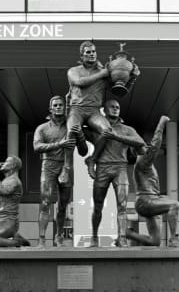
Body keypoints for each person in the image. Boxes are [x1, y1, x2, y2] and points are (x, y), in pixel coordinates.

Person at [58, 40, 139, 185]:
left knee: (107, 130)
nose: (91, 54)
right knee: (71, 131)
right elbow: (80, 82)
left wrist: (132, 77)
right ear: (82, 57)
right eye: (88, 52)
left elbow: (120, 92)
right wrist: (103, 73)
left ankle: (92, 159)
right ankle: (66, 167)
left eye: (93, 51)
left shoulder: (104, 72)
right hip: (77, 109)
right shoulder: (74, 71)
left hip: (94, 111)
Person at [85, 98, 145, 247]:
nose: (115, 108)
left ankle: (122, 238)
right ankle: (94, 237)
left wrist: (116, 136)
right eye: (111, 106)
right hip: (102, 168)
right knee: (97, 206)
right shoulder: (95, 128)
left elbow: (141, 144)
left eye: (117, 107)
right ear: (104, 110)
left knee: (122, 206)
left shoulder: (127, 129)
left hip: (121, 168)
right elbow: (77, 129)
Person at [33, 95, 88, 247]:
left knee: (63, 205)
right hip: (49, 166)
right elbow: (37, 147)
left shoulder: (71, 126)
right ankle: (42, 239)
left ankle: (59, 236)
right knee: (45, 202)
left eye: (61, 105)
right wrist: (59, 144)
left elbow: (83, 152)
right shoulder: (42, 128)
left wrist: (81, 135)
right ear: (50, 109)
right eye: (55, 105)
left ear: (65, 108)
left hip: (67, 166)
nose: (58, 107)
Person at [125, 115, 179, 248]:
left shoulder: (143, 163)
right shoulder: (143, 161)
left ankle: (129, 234)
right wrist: (162, 123)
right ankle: (174, 239)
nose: (147, 147)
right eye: (144, 145)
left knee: (155, 241)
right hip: (146, 202)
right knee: (174, 205)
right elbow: (156, 145)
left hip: (146, 203)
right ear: (140, 149)